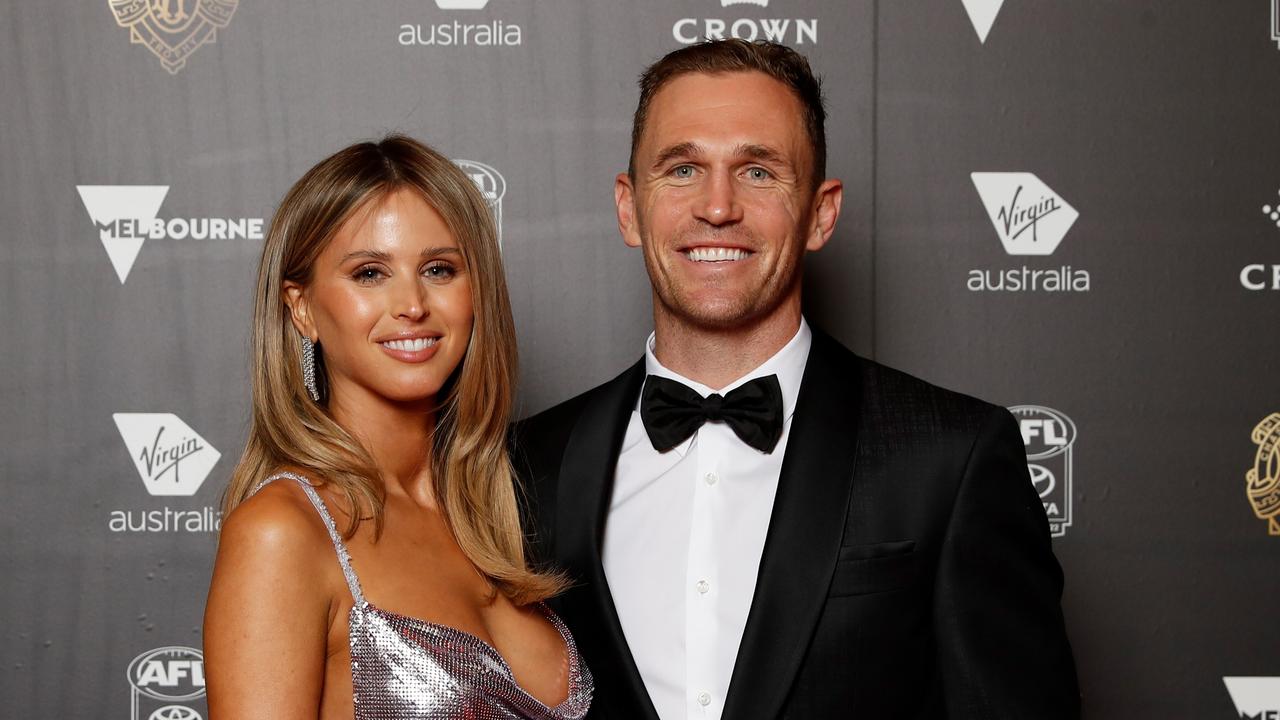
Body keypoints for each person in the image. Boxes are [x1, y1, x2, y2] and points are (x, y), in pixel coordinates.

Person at [512, 40, 1080, 719]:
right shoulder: (525, 466)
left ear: (820, 212)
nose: (717, 207)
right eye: (683, 168)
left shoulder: (950, 458)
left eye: (757, 172)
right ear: (630, 209)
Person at [204, 135, 592, 719]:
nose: (412, 304)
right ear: (302, 308)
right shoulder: (283, 531)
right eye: (369, 273)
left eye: (439, 269)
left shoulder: (505, 510)